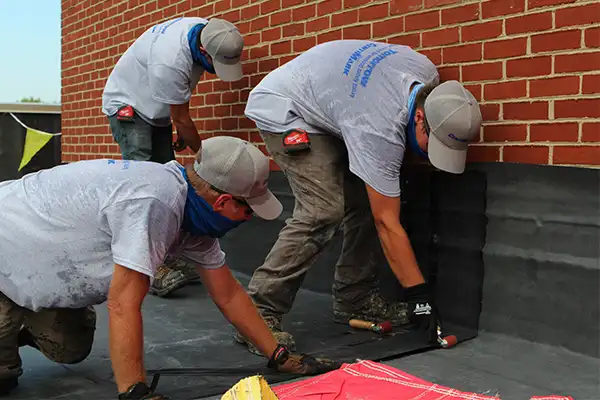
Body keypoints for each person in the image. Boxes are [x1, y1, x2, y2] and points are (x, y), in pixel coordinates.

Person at [0, 136, 341, 399]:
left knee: (70, 346)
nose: (250, 219)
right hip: (5, 240)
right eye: (249, 210)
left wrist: (278, 355)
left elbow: (229, 294)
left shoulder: (192, 219)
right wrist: (134, 389)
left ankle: (15, 315)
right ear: (223, 202)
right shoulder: (154, 201)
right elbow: (123, 302)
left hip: (30, 259)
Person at [235, 39, 483, 355]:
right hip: (287, 106)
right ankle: (256, 313)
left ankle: (355, 297)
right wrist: (418, 297)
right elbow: (386, 222)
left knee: (369, 198)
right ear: (419, 116)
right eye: (430, 142)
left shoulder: (426, 74)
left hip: (337, 102)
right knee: (323, 209)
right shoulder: (379, 127)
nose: (430, 154)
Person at [101, 16, 245, 297]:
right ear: (204, 52)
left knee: (167, 176)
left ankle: (165, 252)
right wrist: (206, 160)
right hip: (128, 105)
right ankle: (144, 266)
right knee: (142, 182)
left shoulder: (208, 31)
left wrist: (178, 125)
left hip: (154, 109)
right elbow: (182, 116)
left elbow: (178, 112)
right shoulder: (170, 59)